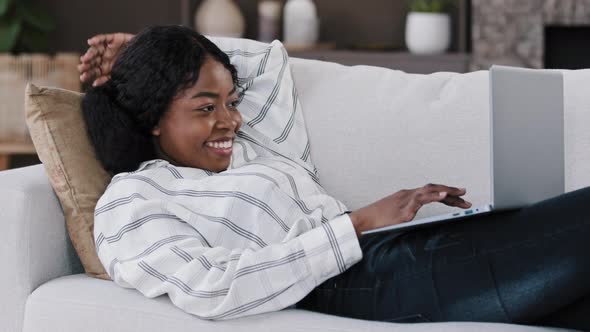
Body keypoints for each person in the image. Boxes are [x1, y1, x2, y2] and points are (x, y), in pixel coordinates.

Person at [79, 26, 590, 330]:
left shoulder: (255, 148)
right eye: (206, 108)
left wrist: (146, 48)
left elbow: (268, 65)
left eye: (231, 104)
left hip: (395, 251)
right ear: (150, 115)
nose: (230, 121)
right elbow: (214, 286)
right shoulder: (134, 200)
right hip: (353, 283)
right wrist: (359, 224)